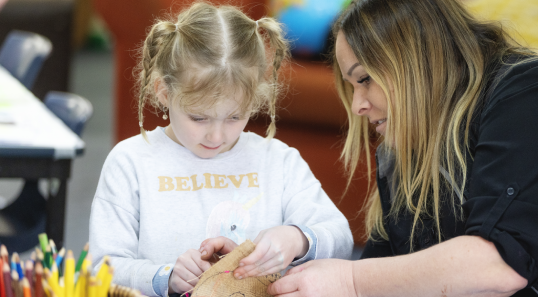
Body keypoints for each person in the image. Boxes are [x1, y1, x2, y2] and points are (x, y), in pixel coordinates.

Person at [267, 0, 538, 296]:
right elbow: (388, 272)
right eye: (351, 85)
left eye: (365, 79)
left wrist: (351, 281)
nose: (358, 105)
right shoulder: (408, 153)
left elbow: (500, 265)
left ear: (415, 61)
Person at [87, 2, 353, 296]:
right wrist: (165, 276)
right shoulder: (131, 162)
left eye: (235, 117)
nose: (216, 135)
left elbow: (341, 237)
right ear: (164, 91)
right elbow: (101, 268)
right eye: (199, 117)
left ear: (254, 100)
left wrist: (297, 238)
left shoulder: (278, 160)